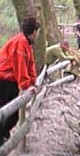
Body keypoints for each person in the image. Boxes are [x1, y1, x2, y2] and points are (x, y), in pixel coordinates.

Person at [0, 17, 40, 145]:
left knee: (12, 115)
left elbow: (30, 64)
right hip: (3, 80)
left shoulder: (27, 44)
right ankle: (2, 138)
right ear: (34, 32)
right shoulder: (20, 44)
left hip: (10, 81)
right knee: (7, 112)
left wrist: (33, 82)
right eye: (37, 32)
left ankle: (2, 137)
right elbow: (20, 66)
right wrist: (27, 85)